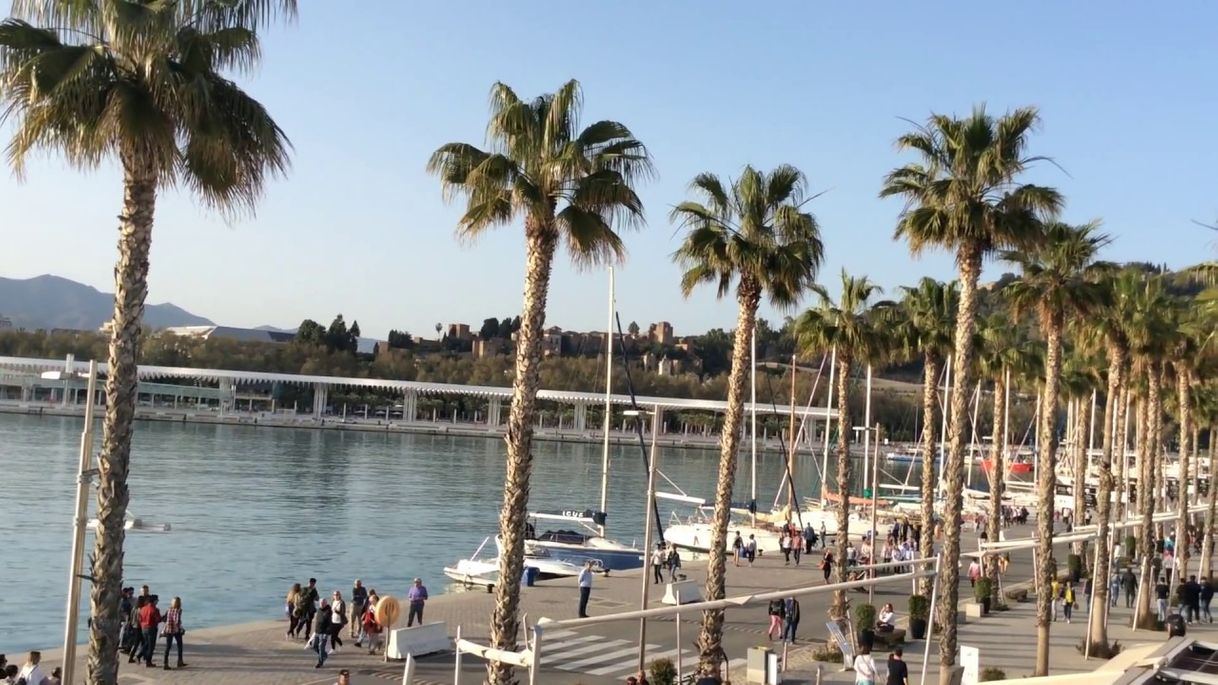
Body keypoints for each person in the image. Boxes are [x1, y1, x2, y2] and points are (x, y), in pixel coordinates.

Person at [160, 596, 186, 670]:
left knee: (168, 646)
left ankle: (165, 663)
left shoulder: (169, 609)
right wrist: (181, 628)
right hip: (175, 629)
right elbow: (177, 621)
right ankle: (179, 661)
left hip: (168, 629)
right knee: (180, 645)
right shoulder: (179, 610)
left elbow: (165, 618)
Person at [138, 595, 163, 667]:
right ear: (154, 601)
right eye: (157, 600)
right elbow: (158, 620)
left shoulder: (143, 608)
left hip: (143, 627)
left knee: (146, 643)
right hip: (151, 628)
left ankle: (139, 656)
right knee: (151, 646)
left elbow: (140, 618)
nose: (158, 601)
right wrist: (163, 618)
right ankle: (148, 661)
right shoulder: (154, 609)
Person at [311, 599, 332, 668]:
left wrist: (327, 633)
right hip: (317, 631)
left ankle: (320, 662)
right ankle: (324, 655)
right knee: (314, 646)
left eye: (323, 603)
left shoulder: (328, 611)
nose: (322, 604)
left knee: (321, 647)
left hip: (324, 633)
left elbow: (329, 624)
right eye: (320, 603)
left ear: (326, 603)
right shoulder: (319, 610)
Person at [126, 595, 146, 663]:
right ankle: (135, 657)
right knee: (141, 643)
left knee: (137, 643)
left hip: (134, 626)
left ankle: (139, 656)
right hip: (139, 627)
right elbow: (140, 619)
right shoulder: (141, 609)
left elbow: (131, 617)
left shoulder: (134, 608)